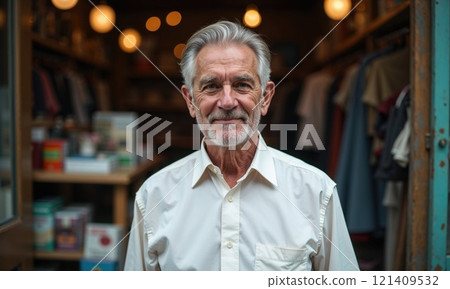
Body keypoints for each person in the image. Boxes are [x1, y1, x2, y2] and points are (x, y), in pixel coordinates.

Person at [124, 20, 358, 271]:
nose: (226, 102)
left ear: (265, 97)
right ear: (190, 101)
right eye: (211, 86)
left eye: (242, 85)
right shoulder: (153, 197)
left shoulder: (316, 192)